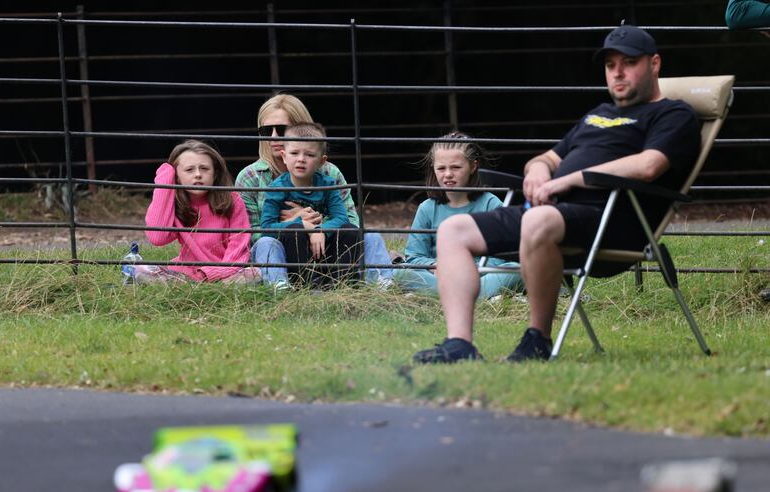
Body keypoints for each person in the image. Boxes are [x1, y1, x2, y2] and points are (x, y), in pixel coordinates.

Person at [412, 25, 701, 364]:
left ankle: (538, 340)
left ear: (654, 64)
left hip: (613, 222)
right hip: (551, 211)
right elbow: (548, 157)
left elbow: (650, 165)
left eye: (629, 62)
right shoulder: (598, 114)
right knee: (453, 230)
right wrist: (538, 170)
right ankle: (459, 345)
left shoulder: (674, 114)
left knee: (538, 219)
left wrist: (570, 181)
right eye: (610, 65)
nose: (618, 73)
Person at [235, 93, 393, 288]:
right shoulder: (250, 177)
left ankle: (377, 285)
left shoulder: (329, 172)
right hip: (285, 256)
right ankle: (283, 288)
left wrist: (316, 227)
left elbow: (351, 223)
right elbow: (251, 238)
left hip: (331, 252)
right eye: (267, 130)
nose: (274, 136)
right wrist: (297, 224)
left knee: (370, 237)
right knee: (267, 245)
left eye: (282, 129)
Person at [395, 132, 522, 298]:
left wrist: (467, 268)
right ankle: (475, 296)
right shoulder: (426, 208)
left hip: (481, 274)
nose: (448, 174)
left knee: (517, 270)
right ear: (433, 169)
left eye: (456, 167)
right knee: (402, 274)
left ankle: (455, 296)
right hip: (440, 275)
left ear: (473, 166)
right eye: (441, 168)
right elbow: (414, 257)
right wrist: (436, 265)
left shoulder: (491, 204)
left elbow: (501, 257)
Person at [141, 139, 260, 283]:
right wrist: (165, 178)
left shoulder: (232, 199)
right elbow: (157, 238)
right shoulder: (176, 203)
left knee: (255, 274)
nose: (198, 174)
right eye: (189, 170)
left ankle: (195, 284)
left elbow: (238, 248)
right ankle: (185, 282)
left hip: (228, 271)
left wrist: (209, 274)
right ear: (177, 177)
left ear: (215, 174)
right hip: (186, 271)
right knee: (141, 269)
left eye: (204, 168)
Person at [261, 122, 362, 287]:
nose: (301, 159)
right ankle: (305, 285)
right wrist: (303, 225)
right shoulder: (277, 188)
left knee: (349, 230)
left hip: (325, 248)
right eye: (294, 153)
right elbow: (266, 227)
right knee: (294, 231)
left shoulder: (328, 184)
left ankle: (342, 283)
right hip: (295, 253)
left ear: (322, 161)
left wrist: (319, 230)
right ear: (284, 156)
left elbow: (342, 218)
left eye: (309, 155)